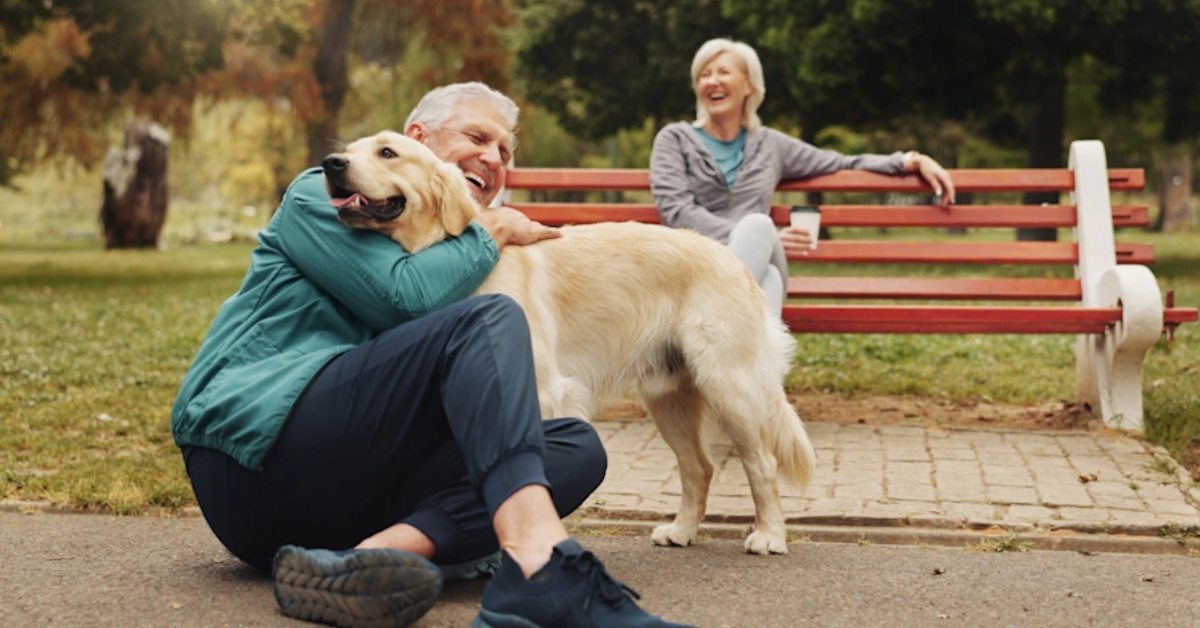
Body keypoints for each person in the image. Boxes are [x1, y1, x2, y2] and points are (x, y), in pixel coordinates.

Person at [173, 82, 696, 628]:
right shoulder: (323, 194)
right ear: (418, 138)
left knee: (576, 447)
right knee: (490, 318)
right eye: (477, 137)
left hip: (345, 504)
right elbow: (403, 297)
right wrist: (492, 228)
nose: (492, 158)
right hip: (251, 462)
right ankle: (541, 568)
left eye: (504, 152)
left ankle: (371, 559)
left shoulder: (458, 259)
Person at [650, 38, 956, 317]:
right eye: (703, 75)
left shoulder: (770, 144)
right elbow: (677, 211)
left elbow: (841, 161)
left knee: (758, 228)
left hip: (719, 290)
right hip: (696, 268)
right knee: (767, 271)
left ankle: (710, 328)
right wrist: (756, 239)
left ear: (749, 85)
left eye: (723, 72)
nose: (712, 81)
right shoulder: (674, 139)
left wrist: (909, 160)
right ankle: (748, 358)